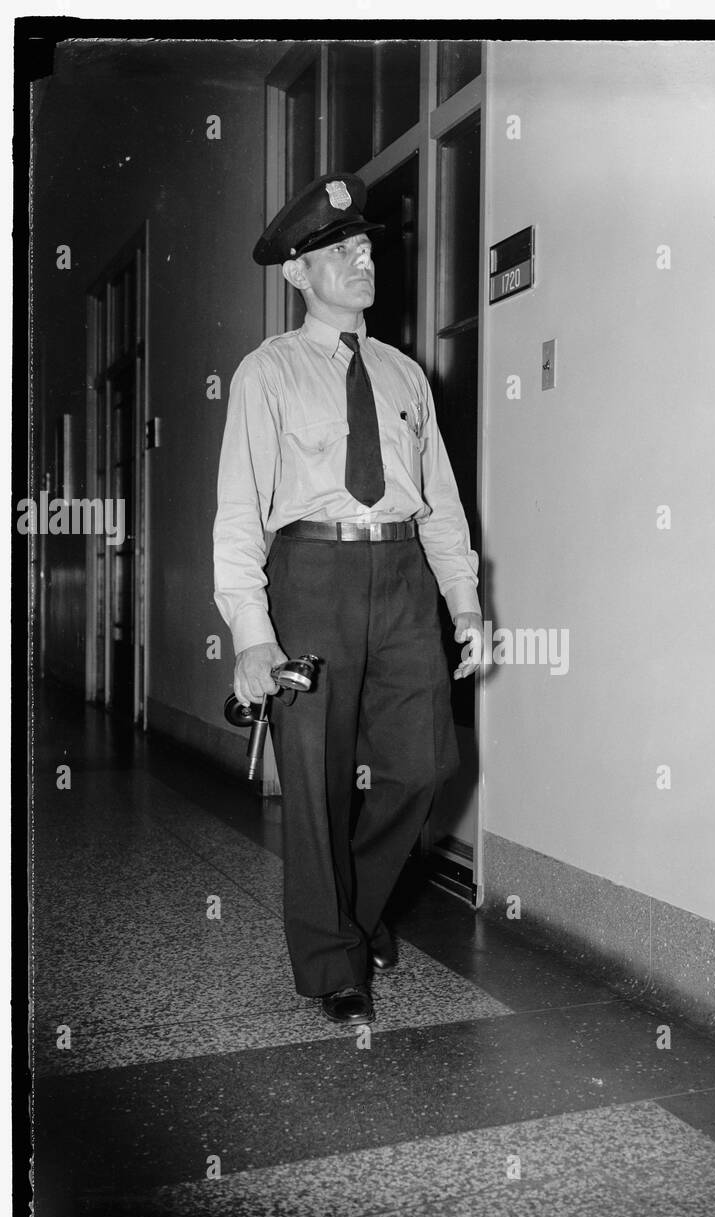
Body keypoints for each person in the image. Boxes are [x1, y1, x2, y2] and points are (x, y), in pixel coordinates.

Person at [213, 171, 482, 1026]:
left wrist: (464, 602)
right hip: (311, 576)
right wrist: (252, 636)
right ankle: (334, 964)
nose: (362, 261)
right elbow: (237, 511)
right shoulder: (267, 373)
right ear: (298, 275)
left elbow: (438, 500)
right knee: (318, 779)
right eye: (340, 251)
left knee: (425, 764)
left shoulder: (405, 376)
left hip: (401, 576)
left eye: (366, 247)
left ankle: (356, 916)